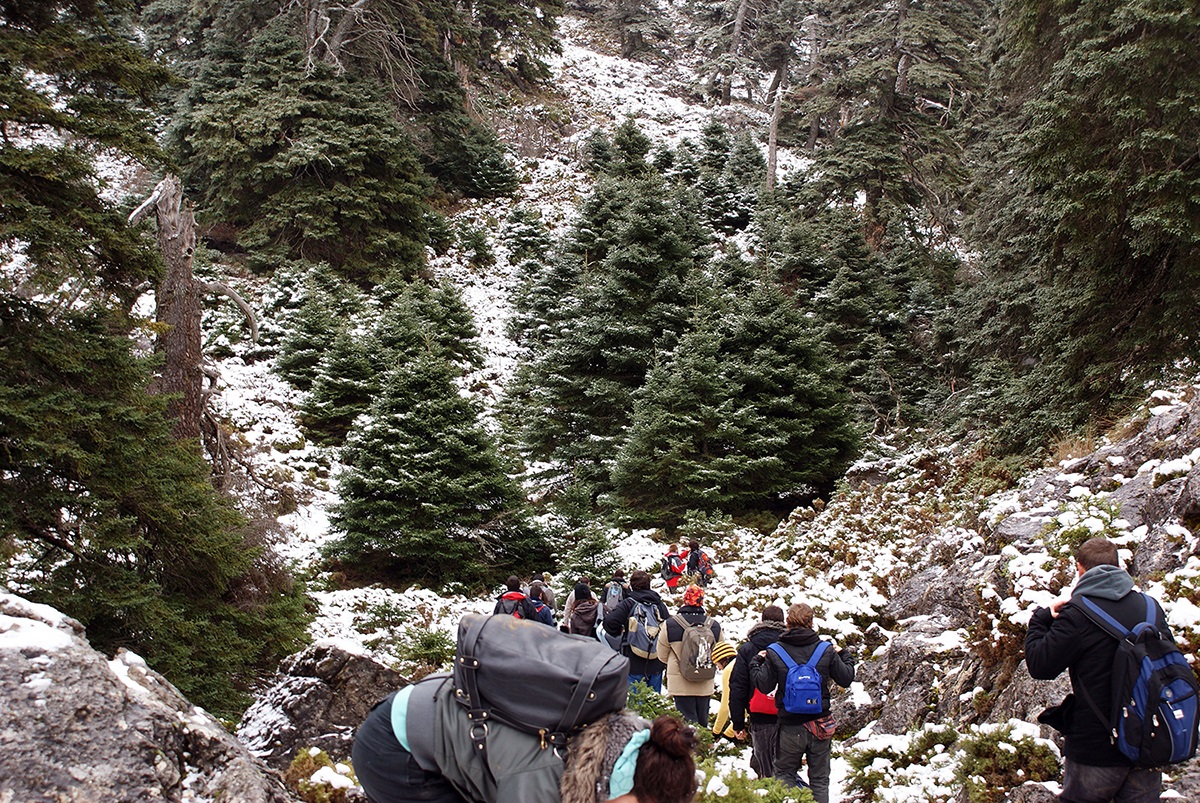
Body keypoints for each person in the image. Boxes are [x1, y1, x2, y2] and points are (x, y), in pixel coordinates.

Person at [353, 679, 701, 803]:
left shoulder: (627, 738)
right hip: (393, 748)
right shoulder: (543, 776)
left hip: (436, 702)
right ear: (626, 785)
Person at [1025, 537, 1174, 802]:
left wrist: (1041, 618)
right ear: (1117, 567)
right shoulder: (1151, 608)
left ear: (1080, 569)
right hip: (1147, 743)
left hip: (1096, 748)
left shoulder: (1077, 614)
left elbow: (1040, 665)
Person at [750, 603, 854, 803]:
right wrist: (844, 654)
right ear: (811, 622)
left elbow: (764, 685)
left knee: (785, 774)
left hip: (790, 725)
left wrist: (756, 662)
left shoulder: (775, 651)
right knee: (820, 779)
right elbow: (846, 678)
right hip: (820, 723)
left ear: (788, 622)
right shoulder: (826, 649)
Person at [729, 604, 787, 778]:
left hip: (759, 715)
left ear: (761, 621)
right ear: (783, 622)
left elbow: (738, 687)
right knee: (785, 769)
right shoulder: (790, 646)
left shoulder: (748, 649)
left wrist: (738, 723)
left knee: (765, 768)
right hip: (787, 714)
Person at [658, 584, 722, 725]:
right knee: (702, 722)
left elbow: (661, 654)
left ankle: (690, 747)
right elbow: (721, 653)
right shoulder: (714, 625)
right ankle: (703, 745)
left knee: (686, 724)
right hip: (705, 680)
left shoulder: (670, 624)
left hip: (680, 682)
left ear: (685, 600)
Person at [603, 569, 670, 692]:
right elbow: (668, 628)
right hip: (656, 661)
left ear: (632, 585)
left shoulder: (628, 603)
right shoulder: (660, 605)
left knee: (635, 705)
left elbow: (609, 622)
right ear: (649, 584)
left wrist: (620, 632)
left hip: (633, 660)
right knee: (654, 702)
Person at [710, 640, 739, 740]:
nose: (719, 668)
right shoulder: (743, 663)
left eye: (717, 664)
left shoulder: (729, 669)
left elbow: (725, 706)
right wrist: (729, 732)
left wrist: (716, 732)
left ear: (724, 660)